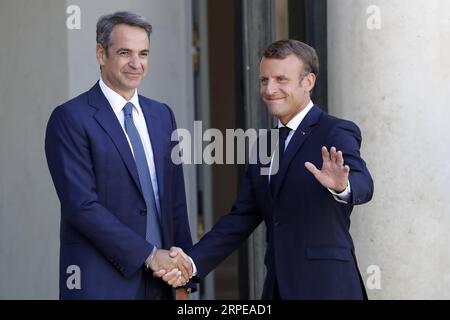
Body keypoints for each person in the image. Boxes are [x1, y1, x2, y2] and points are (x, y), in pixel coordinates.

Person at [157, 40, 374, 299]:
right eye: (264, 80)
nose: (270, 89)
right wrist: (191, 264)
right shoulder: (266, 144)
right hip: (277, 288)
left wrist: (343, 186)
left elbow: (363, 183)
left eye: (281, 79)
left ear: (308, 82)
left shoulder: (336, 130)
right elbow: (241, 218)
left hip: (328, 287)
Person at [45, 11, 194, 300]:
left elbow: (175, 199)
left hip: (162, 281)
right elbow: (82, 206)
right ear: (101, 54)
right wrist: (149, 255)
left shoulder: (162, 115)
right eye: (125, 53)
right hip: (102, 283)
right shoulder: (70, 118)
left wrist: (184, 274)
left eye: (144, 53)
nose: (136, 64)